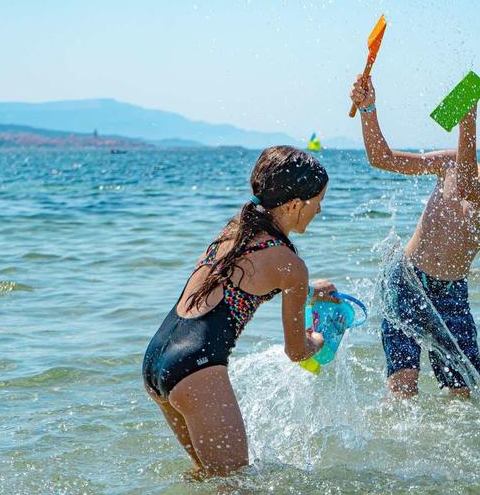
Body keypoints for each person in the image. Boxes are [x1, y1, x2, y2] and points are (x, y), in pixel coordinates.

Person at [349, 76, 480, 398]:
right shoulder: (450, 162)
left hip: (451, 297)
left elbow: (468, 189)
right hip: (406, 279)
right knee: (403, 393)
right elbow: (382, 158)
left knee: (462, 398)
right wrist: (368, 108)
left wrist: (468, 119)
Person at [142, 146, 337, 475]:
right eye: (318, 202)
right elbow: (297, 352)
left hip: (157, 360)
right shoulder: (290, 266)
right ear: (294, 205)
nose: (319, 211)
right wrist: (319, 337)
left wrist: (308, 291)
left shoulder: (233, 232)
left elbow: (240, 285)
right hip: (196, 369)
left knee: (207, 477)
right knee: (235, 484)